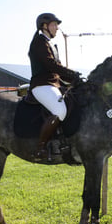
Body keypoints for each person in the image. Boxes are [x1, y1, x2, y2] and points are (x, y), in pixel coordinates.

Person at [28, 13, 81, 160]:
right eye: (54, 25)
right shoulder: (40, 42)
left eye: (57, 25)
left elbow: (56, 71)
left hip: (53, 83)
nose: (57, 28)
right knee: (60, 110)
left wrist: (75, 78)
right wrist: (72, 73)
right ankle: (40, 149)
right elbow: (51, 65)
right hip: (42, 85)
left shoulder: (49, 43)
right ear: (44, 26)